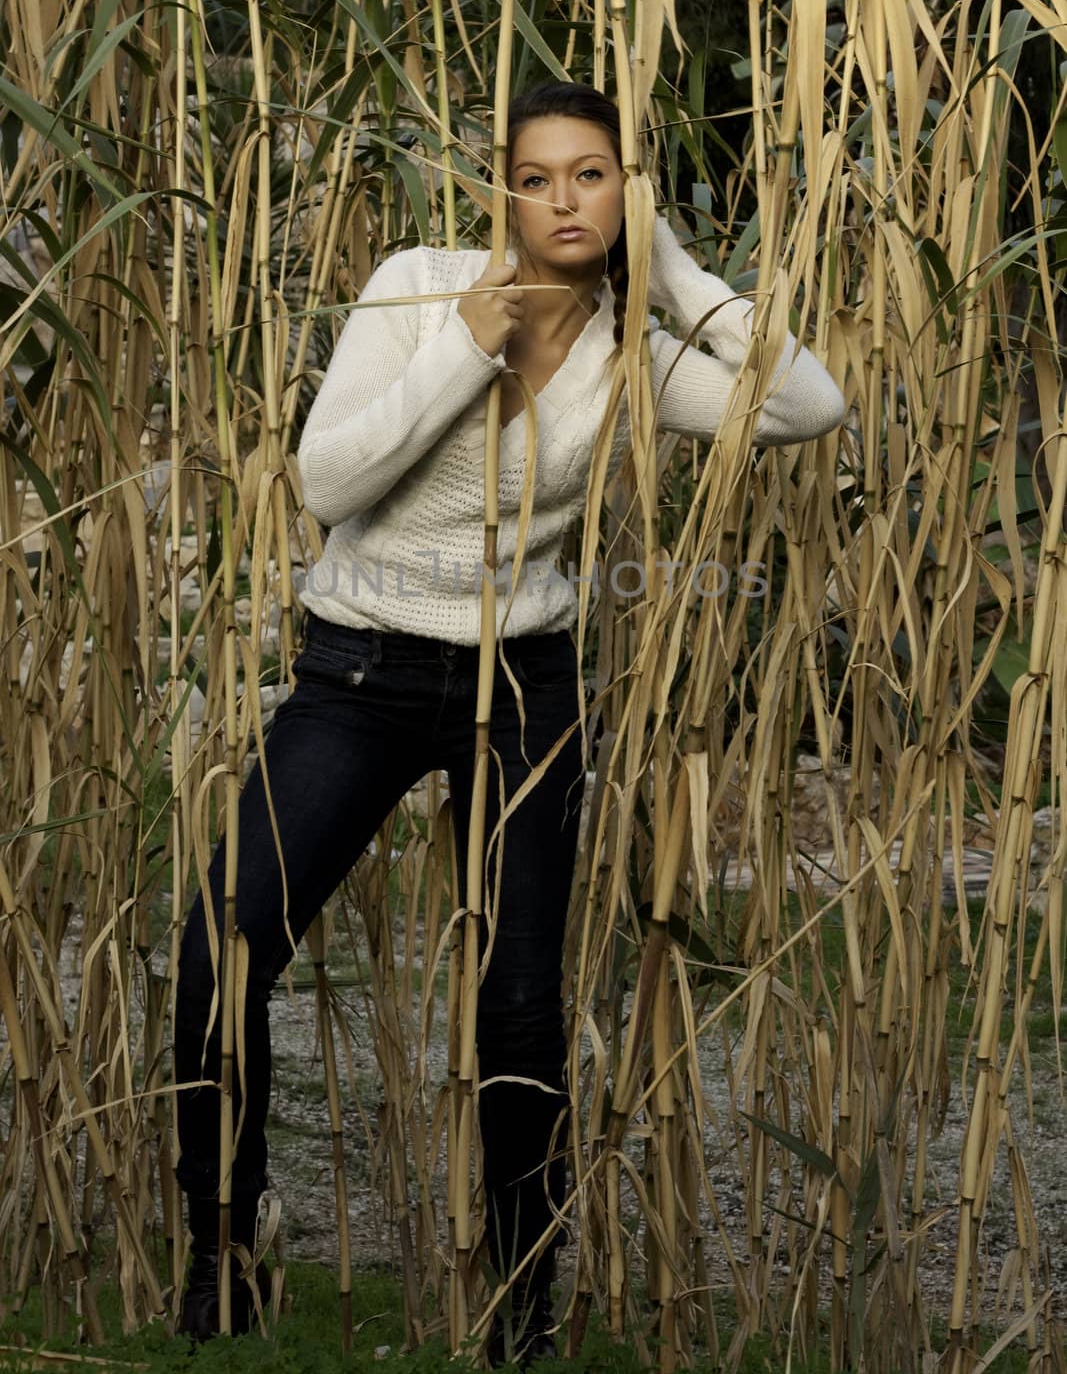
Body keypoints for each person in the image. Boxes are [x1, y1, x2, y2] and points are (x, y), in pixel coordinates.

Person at [173, 81, 846, 1365]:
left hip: (522, 685)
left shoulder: (632, 355)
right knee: (225, 942)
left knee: (520, 1005)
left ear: (621, 193)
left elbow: (807, 408)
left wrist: (674, 271)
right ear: (503, 193)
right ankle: (221, 1252)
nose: (561, 201)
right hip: (360, 672)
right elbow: (327, 482)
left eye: (589, 175)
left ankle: (521, 1303)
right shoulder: (420, 285)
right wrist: (461, 351)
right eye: (535, 178)